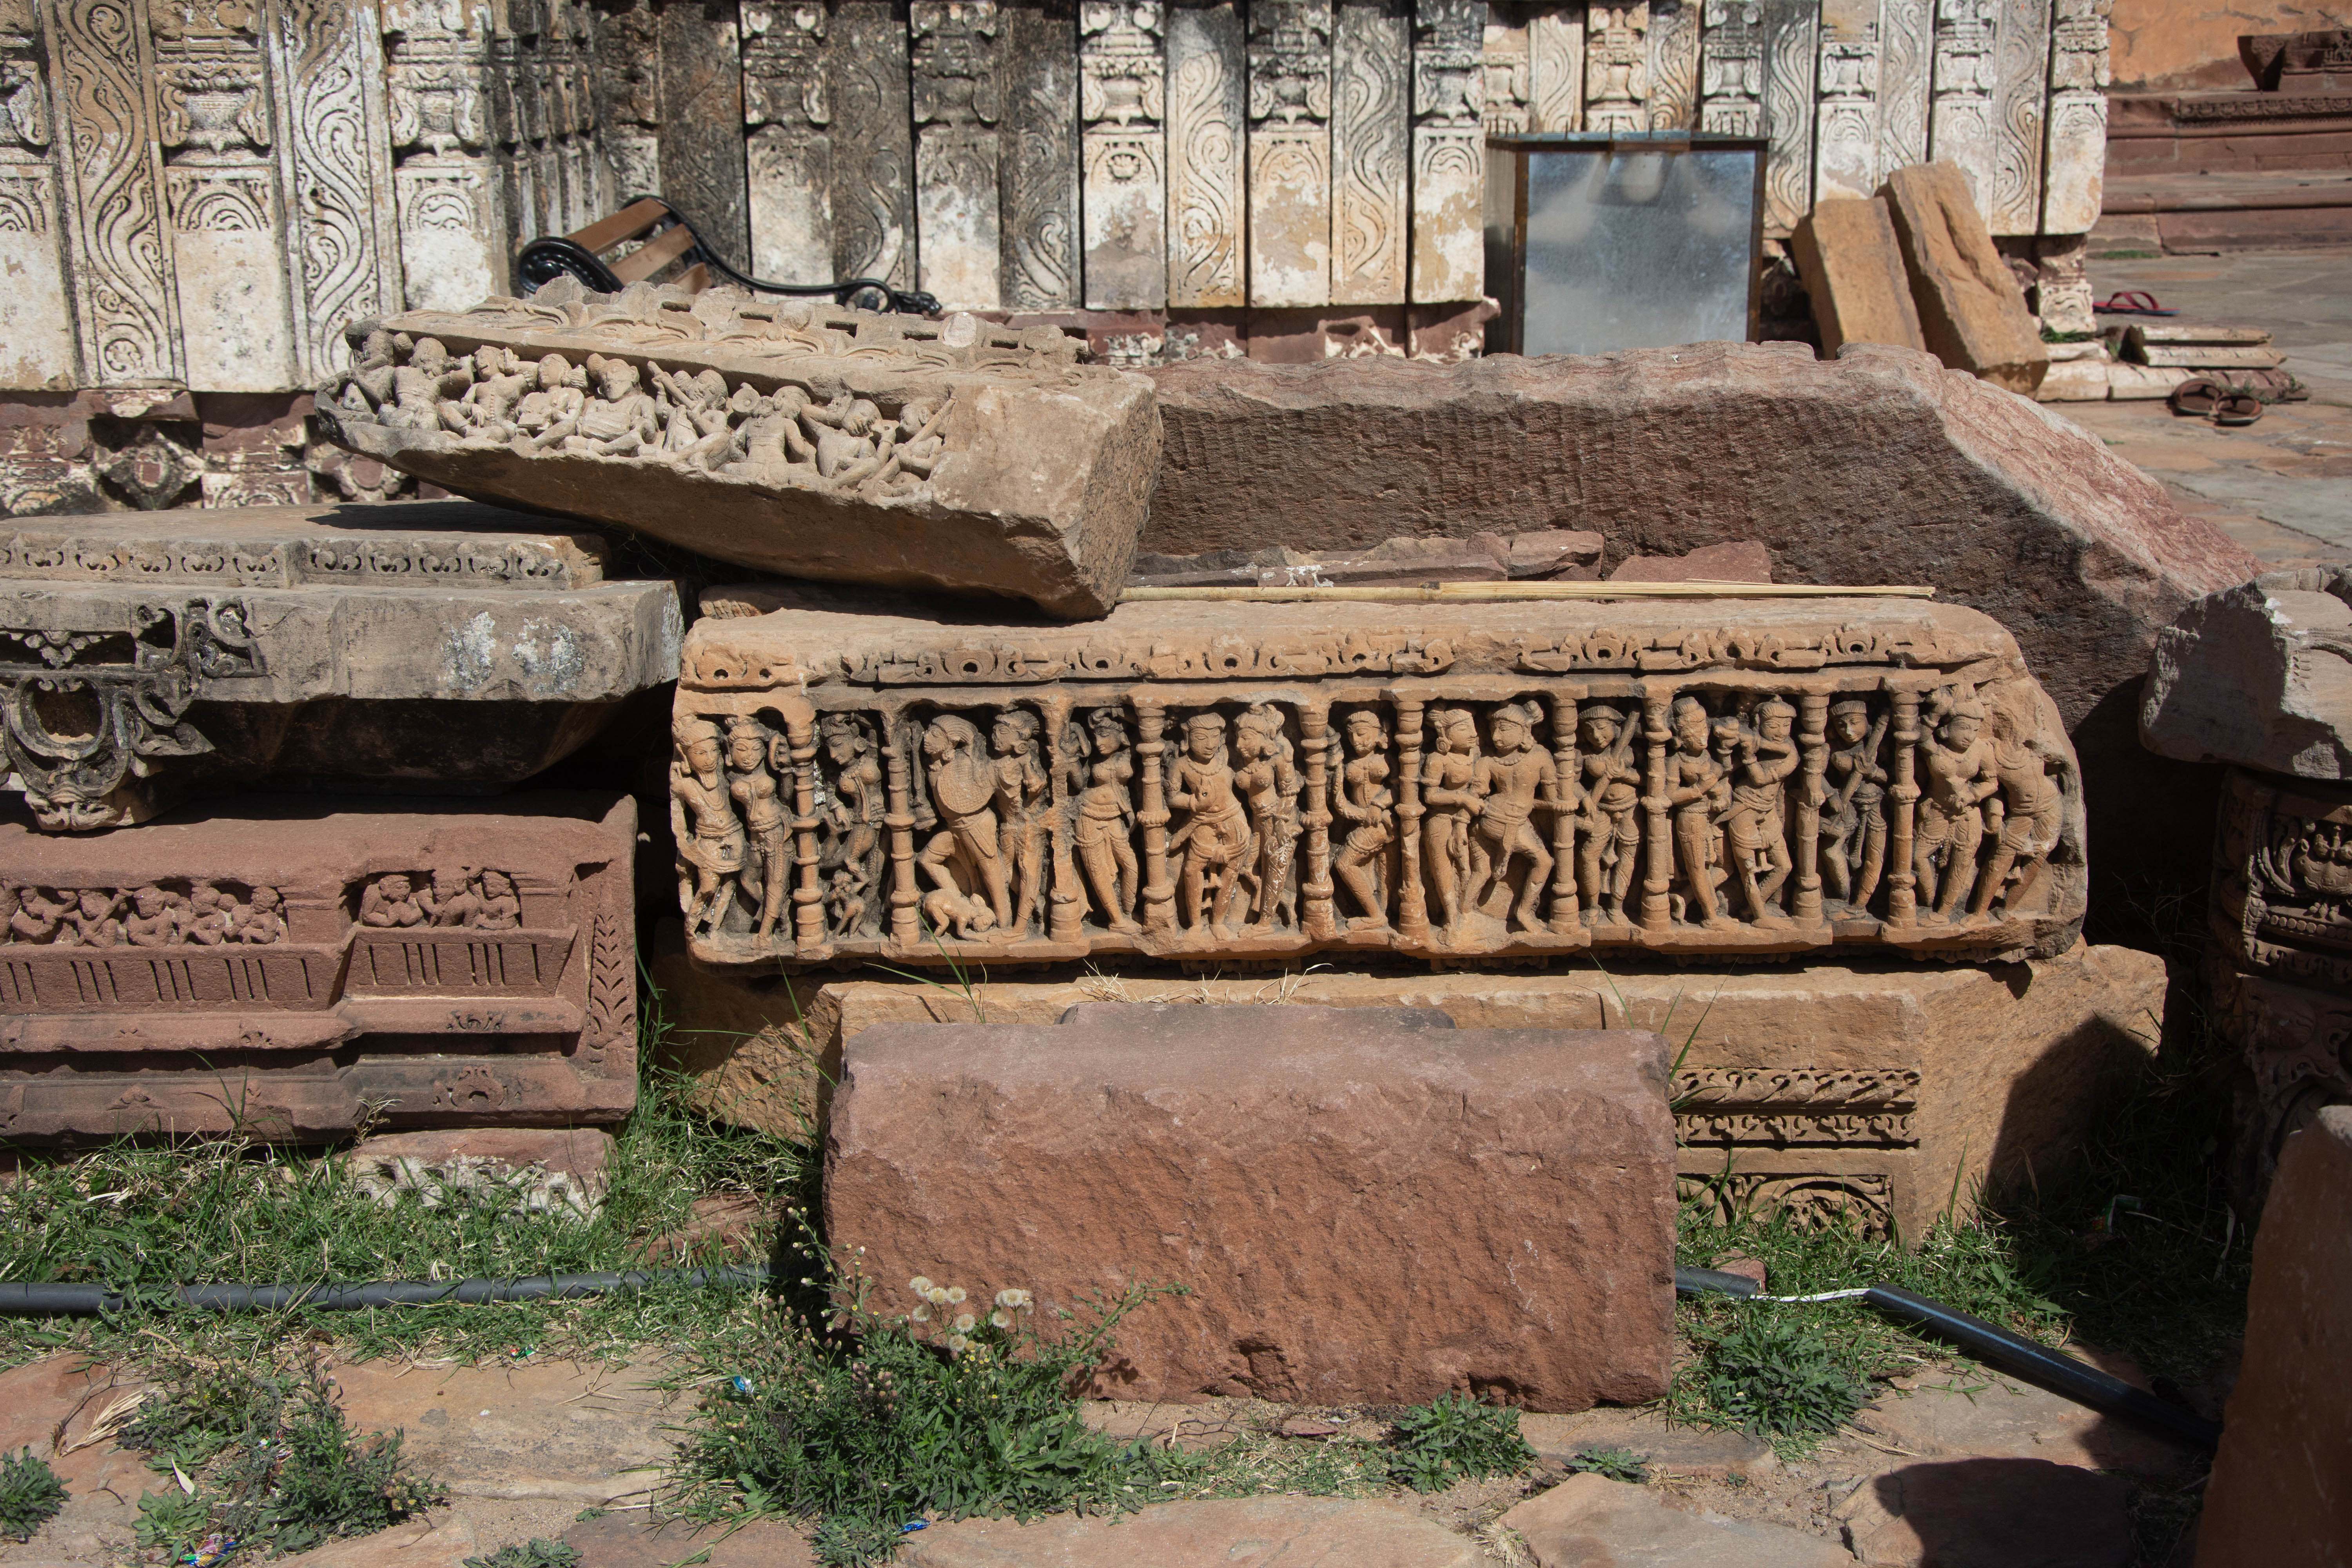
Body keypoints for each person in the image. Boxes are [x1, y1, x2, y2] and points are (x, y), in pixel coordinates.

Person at [1467, 701, 1559, 934]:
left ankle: (1463, 910)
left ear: (1525, 730)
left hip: (1495, 819)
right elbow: (1550, 800)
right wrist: (1531, 805)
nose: (1497, 737)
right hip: (1505, 822)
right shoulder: (1538, 757)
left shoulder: (1491, 761)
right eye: (1493, 730)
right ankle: (1524, 912)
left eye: (1505, 729)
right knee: (1545, 862)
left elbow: (1475, 796)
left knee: (1482, 872)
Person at [1914, 694, 1999, 922]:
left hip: (1966, 814)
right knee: (1917, 856)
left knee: (1961, 864)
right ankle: (1929, 898)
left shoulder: (1981, 749)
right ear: (1947, 729)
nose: (1969, 736)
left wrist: (1973, 795)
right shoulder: (1936, 748)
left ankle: (1944, 912)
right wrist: (1938, 711)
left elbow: (1992, 783)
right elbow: (1921, 736)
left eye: (1974, 730)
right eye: (1963, 728)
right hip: (1937, 810)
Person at [1168, 711, 1252, 936]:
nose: (1209, 745)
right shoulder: (1182, 765)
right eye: (1201, 738)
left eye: (1214, 737)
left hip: (1233, 818)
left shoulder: (1227, 757)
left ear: (1222, 738)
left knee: (1231, 870)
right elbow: (1172, 797)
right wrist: (1192, 802)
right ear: (1187, 739)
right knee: (1192, 869)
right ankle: (1196, 924)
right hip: (1203, 821)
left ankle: (1218, 922)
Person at [1723, 698, 1798, 925]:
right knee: (1749, 872)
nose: (1780, 732)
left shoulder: (1791, 752)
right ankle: (1760, 916)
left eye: (1786, 726)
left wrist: (1750, 755)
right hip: (1743, 809)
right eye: (1773, 726)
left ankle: (1751, 908)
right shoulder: (1753, 740)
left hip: (1767, 813)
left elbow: (1761, 779)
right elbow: (1728, 767)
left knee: (1784, 866)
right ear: (1759, 723)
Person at [1665, 696, 1735, 930]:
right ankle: (1711, 917)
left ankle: (1684, 898)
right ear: (1680, 739)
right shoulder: (1676, 760)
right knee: (1697, 869)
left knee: (1725, 867)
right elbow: (1670, 796)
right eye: (1693, 731)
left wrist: (1721, 795)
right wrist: (1699, 789)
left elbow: (1723, 782)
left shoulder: (1708, 757)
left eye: (1704, 728)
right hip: (1691, 819)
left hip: (1712, 819)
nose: (1702, 735)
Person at [672, 716, 746, 938]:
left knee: (731, 884)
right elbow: (678, 822)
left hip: (734, 834)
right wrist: (685, 846)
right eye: (700, 754)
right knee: (708, 887)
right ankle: (691, 928)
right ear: (687, 756)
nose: (709, 759)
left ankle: (714, 929)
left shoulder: (725, 777)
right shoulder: (683, 785)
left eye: (713, 751)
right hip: (707, 839)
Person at [1074, 708, 1141, 933]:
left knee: (1130, 865)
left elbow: (1148, 725)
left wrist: (1116, 712)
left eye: (1104, 736)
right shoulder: (1093, 759)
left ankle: (1128, 911)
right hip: (1088, 815)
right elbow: (1077, 783)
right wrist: (1070, 760)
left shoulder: (1130, 751)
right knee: (1098, 870)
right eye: (1095, 737)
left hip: (1115, 817)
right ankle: (1116, 919)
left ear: (1119, 736)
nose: (1099, 742)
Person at [1573, 704, 1641, 924]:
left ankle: (1617, 906)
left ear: (1616, 727)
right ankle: (1592, 906)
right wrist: (1585, 797)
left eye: (1602, 728)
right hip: (1600, 810)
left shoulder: (1630, 751)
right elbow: (1572, 782)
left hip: (1630, 809)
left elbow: (1652, 780)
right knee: (1588, 856)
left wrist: (1626, 774)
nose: (1596, 735)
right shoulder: (1582, 754)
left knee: (1627, 857)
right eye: (1589, 730)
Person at [1329, 709, 1395, 929]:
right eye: (1351, 735)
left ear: (1378, 734)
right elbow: (1340, 802)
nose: (1356, 740)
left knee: (1344, 863)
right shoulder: (1349, 763)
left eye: (1362, 733)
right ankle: (1377, 914)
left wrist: (1379, 805)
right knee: (1379, 873)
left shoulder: (1387, 758)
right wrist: (1338, 769)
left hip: (1386, 820)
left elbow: (1403, 787)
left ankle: (1376, 916)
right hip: (1365, 821)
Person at [1419, 708, 1483, 935]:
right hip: (1440, 819)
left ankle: (1467, 912)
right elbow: (1430, 796)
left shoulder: (1475, 755)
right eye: (1464, 728)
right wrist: (1461, 797)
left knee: (1470, 867)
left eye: (1473, 727)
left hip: (1469, 817)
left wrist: (1465, 813)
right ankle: (1451, 917)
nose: (1473, 733)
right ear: (1445, 734)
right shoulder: (1438, 759)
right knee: (1443, 869)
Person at [1822, 699, 1888, 912]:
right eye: (1842, 725)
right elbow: (1816, 775)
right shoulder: (1831, 747)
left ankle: (1860, 904)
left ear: (1868, 722)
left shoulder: (1880, 745)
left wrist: (1873, 772)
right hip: (1845, 803)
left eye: (1854, 723)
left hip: (1876, 806)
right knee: (1831, 850)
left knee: (1875, 855)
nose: (1848, 731)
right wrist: (1832, 795)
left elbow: (1898, 777)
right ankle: (1842, 895)